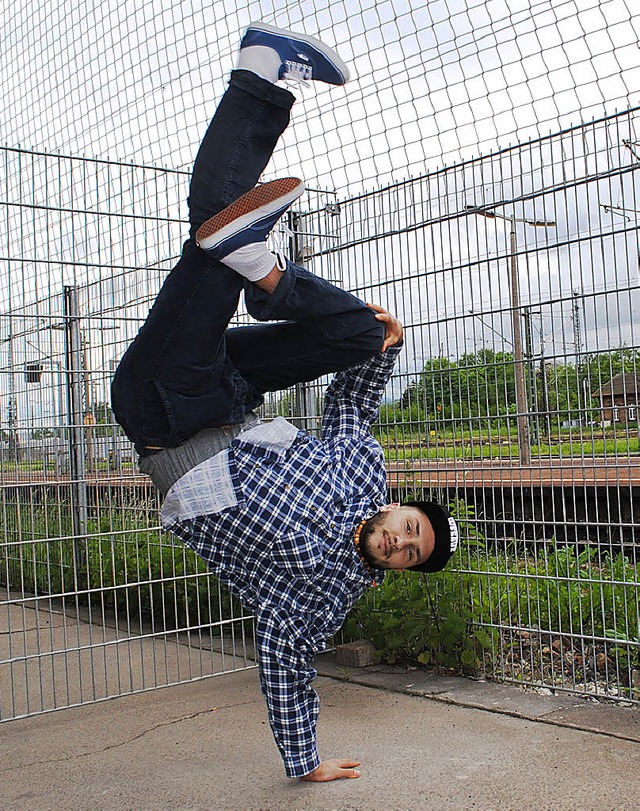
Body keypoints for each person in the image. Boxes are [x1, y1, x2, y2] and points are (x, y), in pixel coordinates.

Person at [111, 22, 459, 782]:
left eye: (410, 554)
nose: (402, 541)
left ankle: (261, 97)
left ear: (396, 569)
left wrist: (303, 761)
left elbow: (283, 662)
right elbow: (352, 408)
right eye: (410, 529)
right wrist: (384, 348)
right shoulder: (364, 471)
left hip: (169, 417)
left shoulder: (323, 597)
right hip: (232, 392)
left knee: (213, 245)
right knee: (361, 334)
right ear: (402, 509)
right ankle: (259, 262)